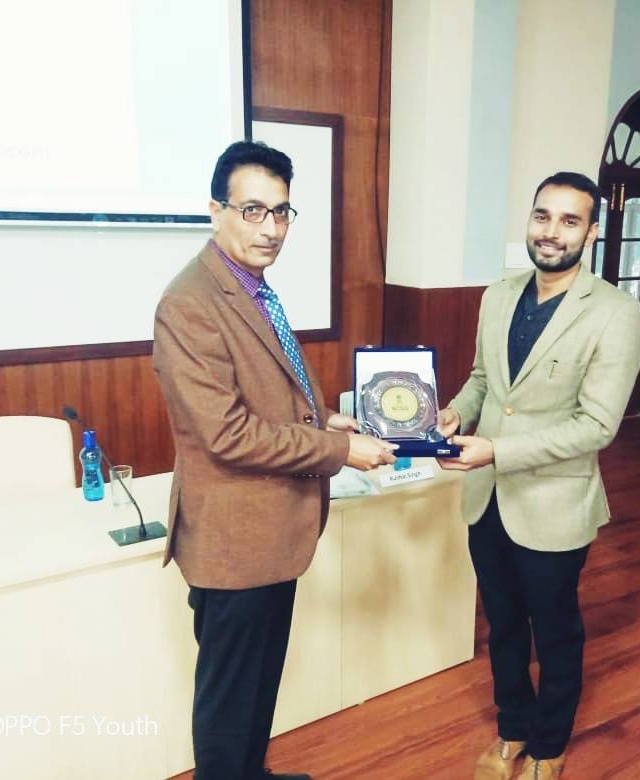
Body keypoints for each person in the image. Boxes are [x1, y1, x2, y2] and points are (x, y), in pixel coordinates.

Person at [153, 140, 397, 780]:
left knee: (258, 684)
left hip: (272, 532)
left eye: (282, 212)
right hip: (235, 540)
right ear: (216, 211)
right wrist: (339, 450)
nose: (270, 228)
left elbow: (273, 388)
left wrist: (325, 418)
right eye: (252, 210)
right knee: (229, 701)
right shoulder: (189, 303)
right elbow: (227, 434)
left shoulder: (250, 286)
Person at [437, 172, 640, 780]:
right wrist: (453, 414)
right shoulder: (498, 295)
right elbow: (483, 381)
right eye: (542, 216)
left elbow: (597, 425)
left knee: (554, 632)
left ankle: (549, 746)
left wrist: (495, 451)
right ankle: (513, 729)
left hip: (554, 505)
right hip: (487, 500)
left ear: (592, 232)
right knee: (502, 624)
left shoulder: (615, 312)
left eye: (569, 220)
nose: (551, 232)